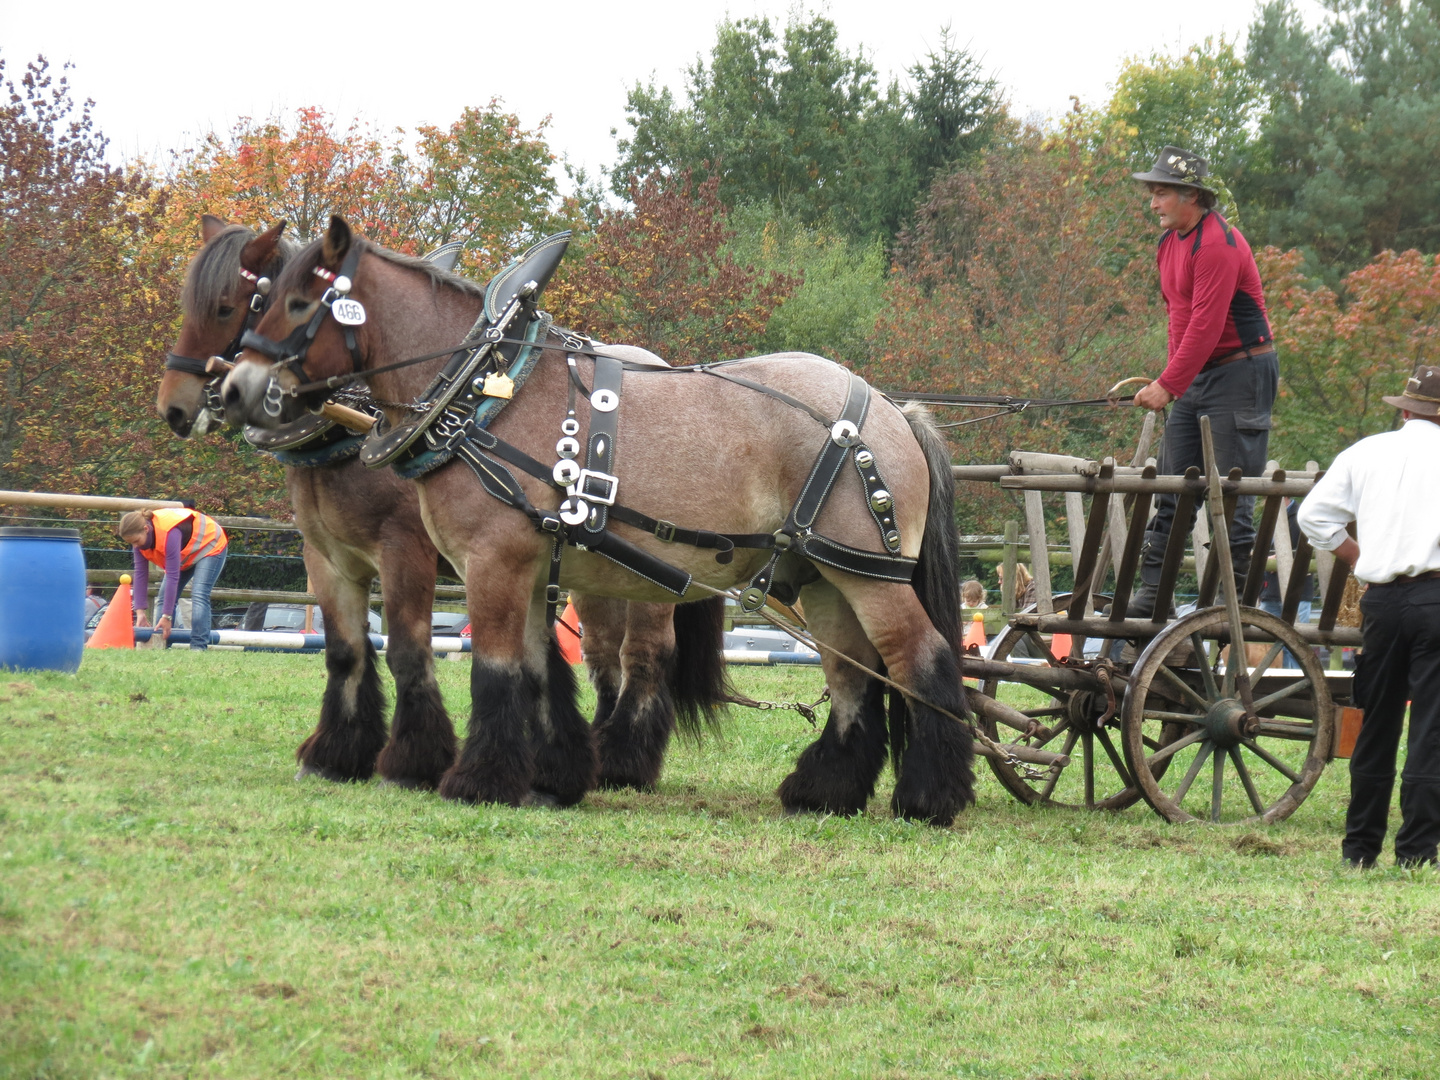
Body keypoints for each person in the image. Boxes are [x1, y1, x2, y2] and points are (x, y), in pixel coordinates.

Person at [1124, 145, 1278, 617]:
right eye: (1151, 193)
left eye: (1162, 193)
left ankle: (1234, 606)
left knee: (1232, 493)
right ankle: (1155, 598)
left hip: (1242, 371)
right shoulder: (1169, 245)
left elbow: (1207, 325)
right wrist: (1175, 380)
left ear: (1192, 194)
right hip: (1199, 373)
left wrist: (1168, 384)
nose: (1153, 203)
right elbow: (1179, 319)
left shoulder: (1219, 244)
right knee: (1175, 487)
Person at [1297, 365, 1440, 868]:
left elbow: (1313, 517)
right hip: (1437, 600)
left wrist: (1360, 556)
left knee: (1377, 722)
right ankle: (1418, 853)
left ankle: (1359, 850)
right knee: (1431, 726)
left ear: (1404, 410)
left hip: (1381, 600)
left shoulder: (1366, 452)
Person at [117, 507, 228, 651]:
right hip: (187, 552)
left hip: (210, 544)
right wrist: (140, 612)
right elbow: (140, 574)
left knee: (199, 594)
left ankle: (198, 647)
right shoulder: (139, 543)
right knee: (163, 597)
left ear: (146, 529)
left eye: (136, 541)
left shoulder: (169, 533)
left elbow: (173, 575)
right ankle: (160, 645)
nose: (135, 546)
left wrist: (167, 616)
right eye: (131, 543)